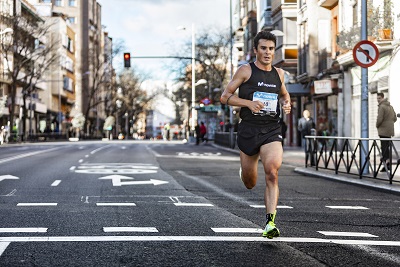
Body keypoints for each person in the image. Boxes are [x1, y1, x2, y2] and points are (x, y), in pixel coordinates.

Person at [220, 30, 291, 239]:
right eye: (263, 48)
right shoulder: (245, 71)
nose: (267, 53)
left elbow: (285, 94)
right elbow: (225, 96)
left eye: (271, 49)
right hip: (249, 129)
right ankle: (245, 172)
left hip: (271, 129)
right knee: (250, 182)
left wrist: (286, 104)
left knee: (272, 171)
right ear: (256, 50)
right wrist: (248, 103)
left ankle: (270, 223)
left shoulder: (279, 74)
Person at [376, 92, 397, 172]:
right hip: (390, 130)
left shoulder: (382, 107)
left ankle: (386, 165)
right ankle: (388, 164)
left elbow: (380, 119)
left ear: (382, 97)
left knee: (384, 148)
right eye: (377, 99)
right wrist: (389, 123)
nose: (378, 100)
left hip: (383, 131)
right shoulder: (390, 107)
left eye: (379, 98)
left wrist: (377, 125)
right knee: (387, 148)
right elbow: (394, 118)